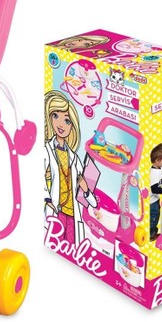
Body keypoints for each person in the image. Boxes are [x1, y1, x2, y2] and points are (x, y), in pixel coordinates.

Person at [44, 90, 96, 245]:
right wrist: (47, 199)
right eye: (55, 116)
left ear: (72, 126)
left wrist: (86, 190)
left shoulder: (75, 158)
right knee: (55, 244)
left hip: (73, 214)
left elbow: (93, 203)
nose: (61, 124)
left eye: (67, 121)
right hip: (57, 210)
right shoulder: (46, 151)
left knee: (70, 247)